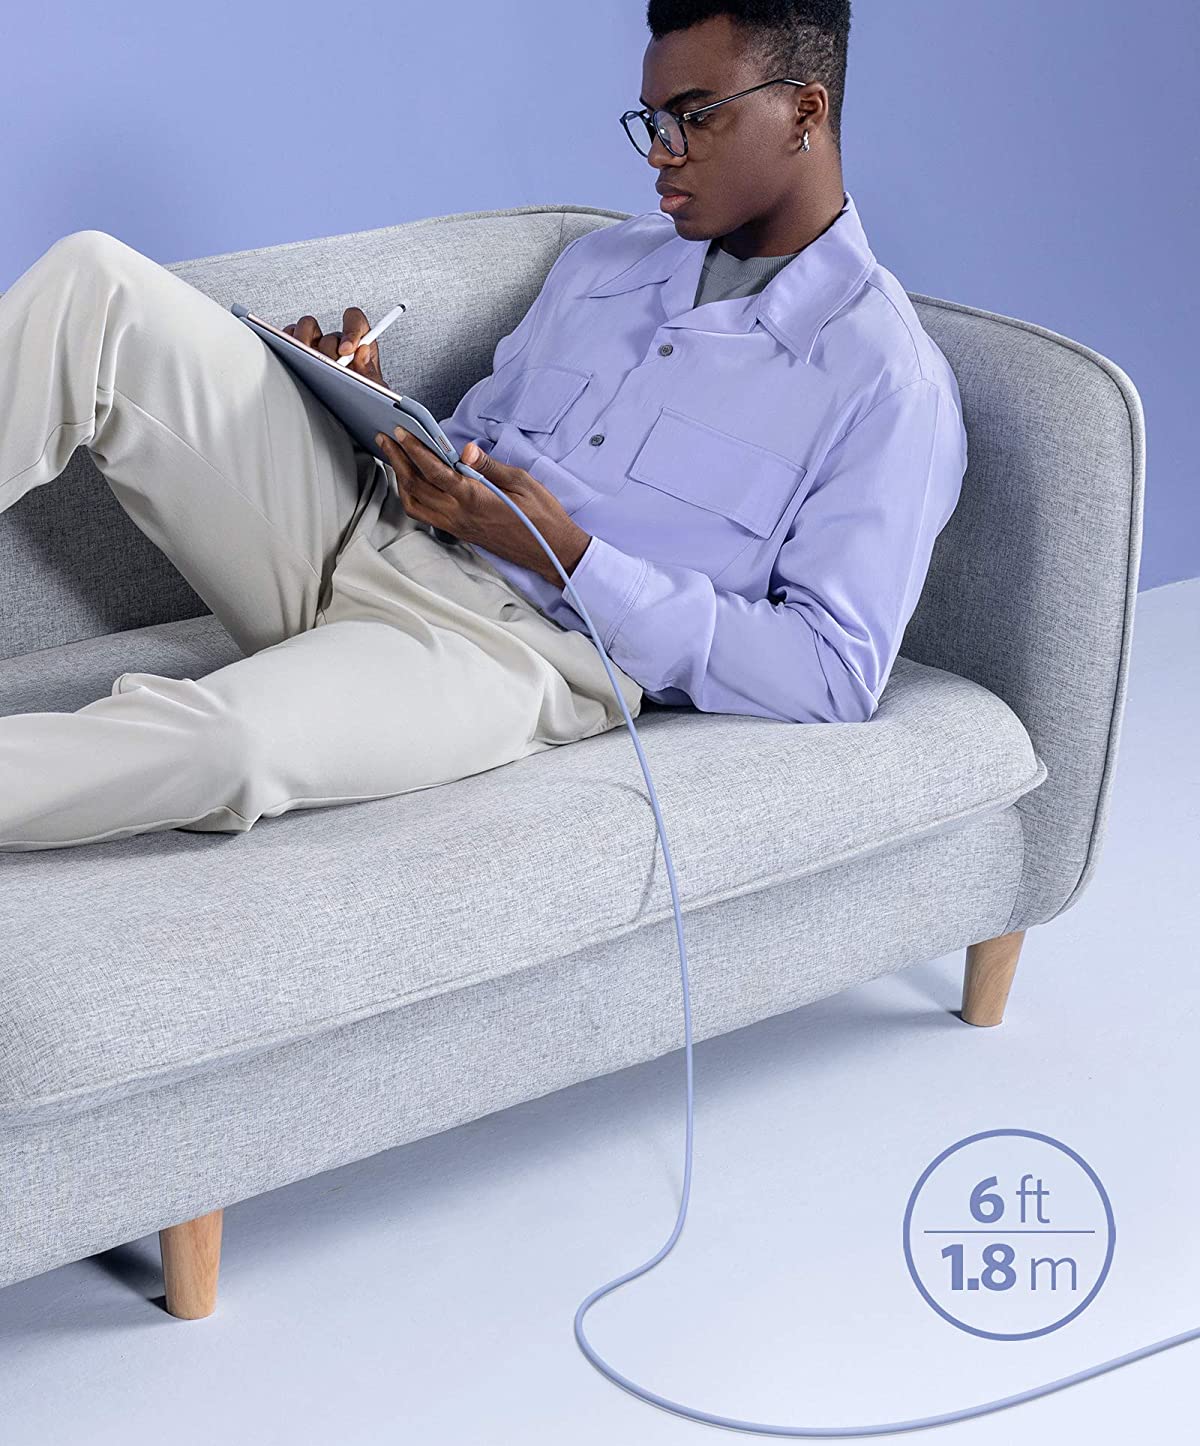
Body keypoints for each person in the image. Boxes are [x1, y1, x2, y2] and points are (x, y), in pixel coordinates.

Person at [0, 0, 965, 853]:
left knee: (225, 745)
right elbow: (480, 437)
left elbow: (834, 675)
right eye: (652, 120)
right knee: (98, 285)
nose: (661, 153)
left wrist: (570, 556)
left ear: (806, 110)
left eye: (695, 117)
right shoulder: (603, 265)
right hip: (371, 525)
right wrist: (373, 406)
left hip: (513, 655)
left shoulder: (888, 384)